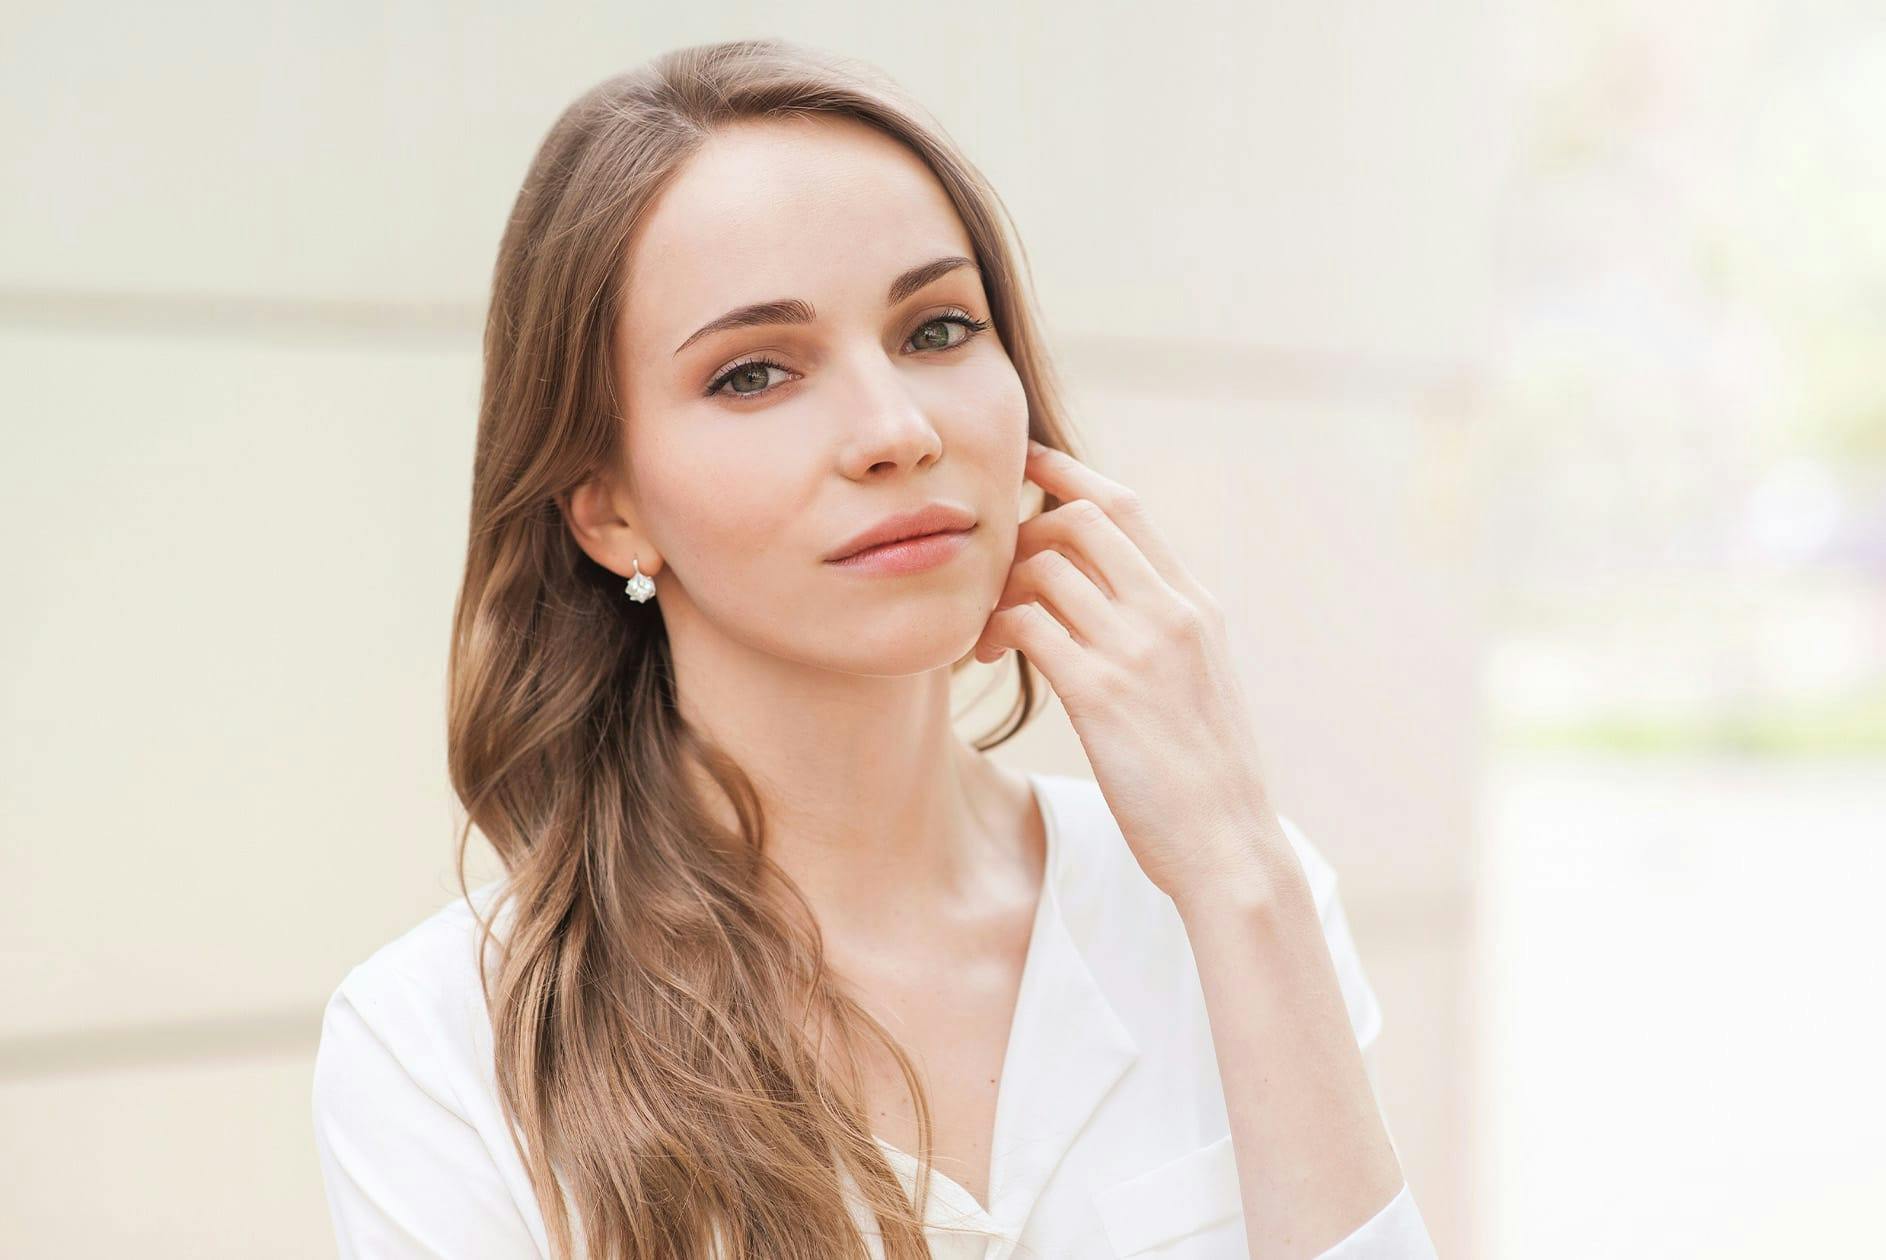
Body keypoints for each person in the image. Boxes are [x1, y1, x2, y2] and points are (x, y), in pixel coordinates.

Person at [311, 36, 1440, 1260]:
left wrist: (1236, 866)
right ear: (608, 507)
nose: (895, 431)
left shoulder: (1232, 904)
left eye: (939, 330)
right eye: (753, 374)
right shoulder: (442, 1047)